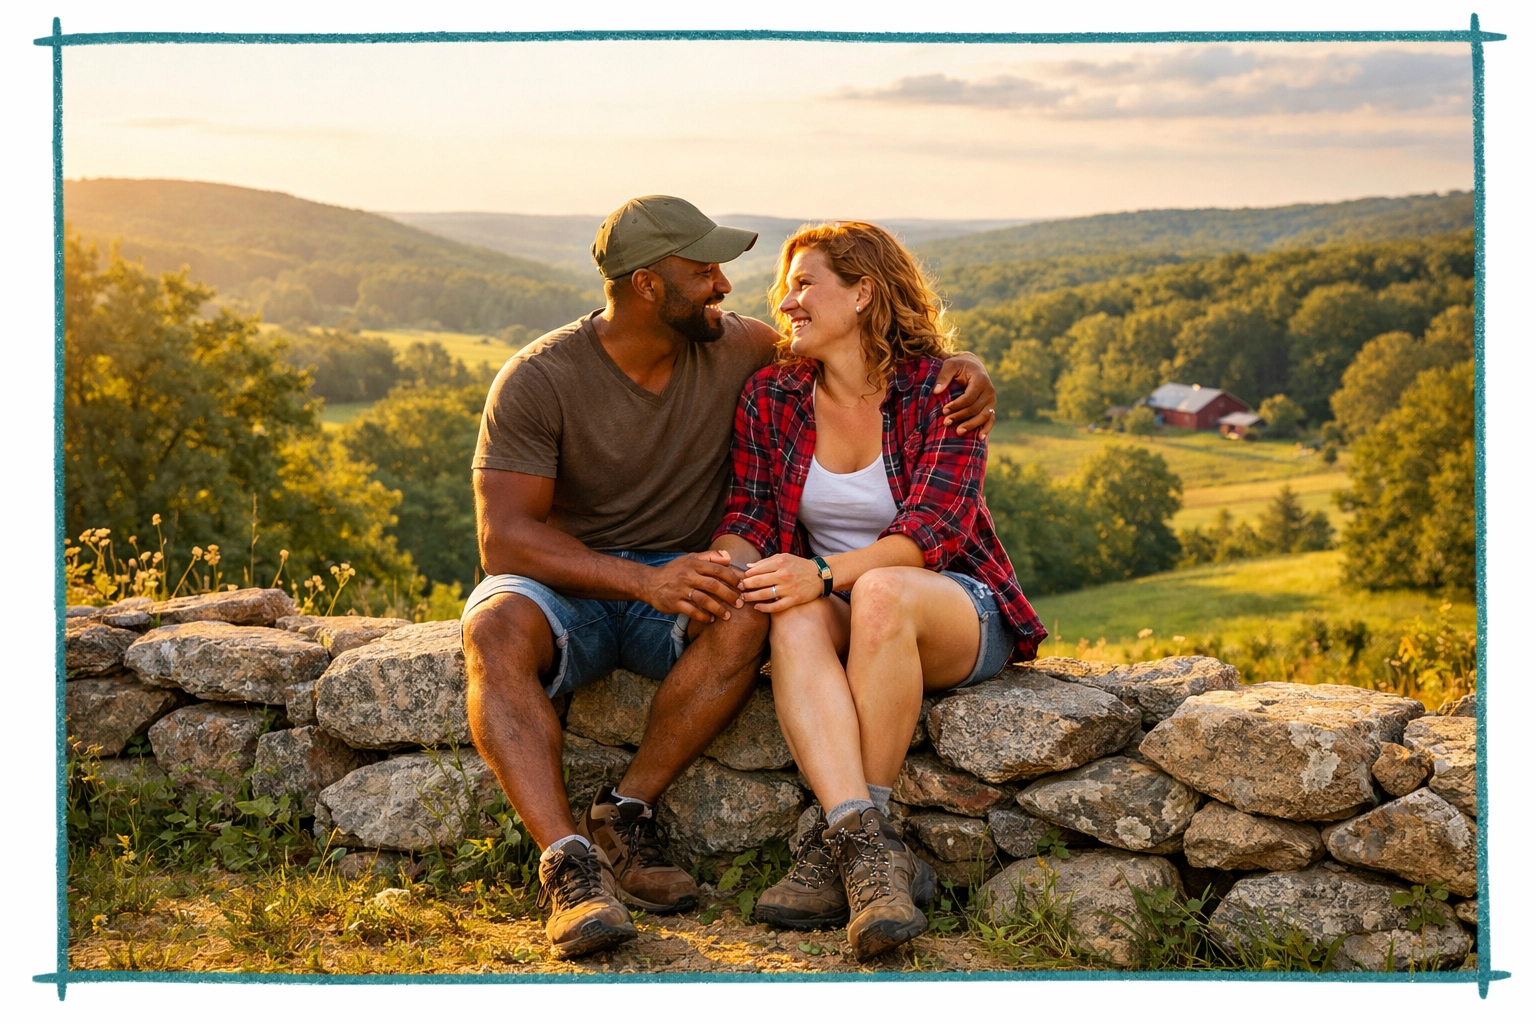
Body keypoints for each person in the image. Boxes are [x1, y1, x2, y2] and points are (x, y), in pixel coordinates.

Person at [461, 196, 1000, 960]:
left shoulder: (743, 349)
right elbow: (504, 538)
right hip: (573, 580)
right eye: (703, 269)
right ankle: (571, 869)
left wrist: (964, 367)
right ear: (648, 285)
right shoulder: (545, 379)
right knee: (494, 628)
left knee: (783, 603)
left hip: (844, 585)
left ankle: (632, 811)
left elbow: (926, 496)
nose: (727, 285)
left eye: (790, 284)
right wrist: (675, 576)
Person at [709, 221, 1047, 961]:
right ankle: (867, 850)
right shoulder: (775, 393)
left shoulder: (942, 391)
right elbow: (752, 515)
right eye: (785, 287)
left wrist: (824, 572)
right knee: (789, 617)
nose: (788, 302)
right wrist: (721, 565)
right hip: (841, 602)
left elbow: (937, 530)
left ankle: (852, 840)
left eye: (806, 284)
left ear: (863, 292)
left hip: (951, 603)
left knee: (884, 591)